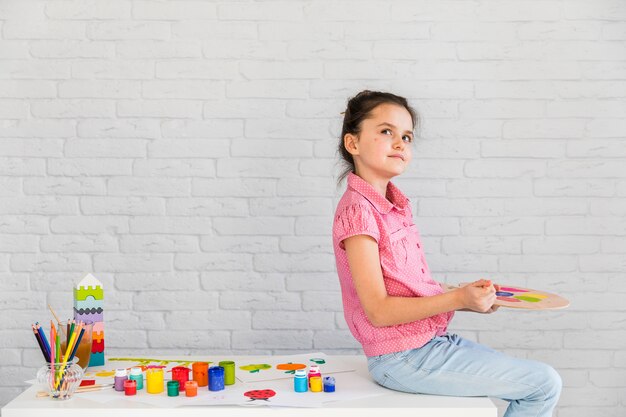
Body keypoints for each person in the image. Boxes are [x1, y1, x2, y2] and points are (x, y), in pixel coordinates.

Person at [332, 90, 562, 417]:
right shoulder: (359, 213)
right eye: (386, 132)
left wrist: (464, 296)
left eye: (407, 136)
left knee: (536, 380)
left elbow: (404, 288)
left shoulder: (392, 209)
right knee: (543, 384)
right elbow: (379, 312)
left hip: (427, 343)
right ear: (352, 143)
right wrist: (458, 300)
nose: (400, 143)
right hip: (402, 357)